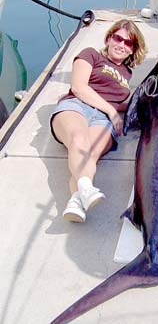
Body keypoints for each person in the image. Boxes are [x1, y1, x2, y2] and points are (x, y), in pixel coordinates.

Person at [50, 19, 147, 223]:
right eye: (118, 38)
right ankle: (86, 187)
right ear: (109, 38)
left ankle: (76, 201)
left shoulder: (126, 74)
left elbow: (120, 104)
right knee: (78, 139)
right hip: (77, 106)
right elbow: (79, 87)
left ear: (133, 50)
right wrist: (112, 112)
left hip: (102, 118)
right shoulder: (90, 54)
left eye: (128, 43)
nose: (121, 45)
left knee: (90, 155)